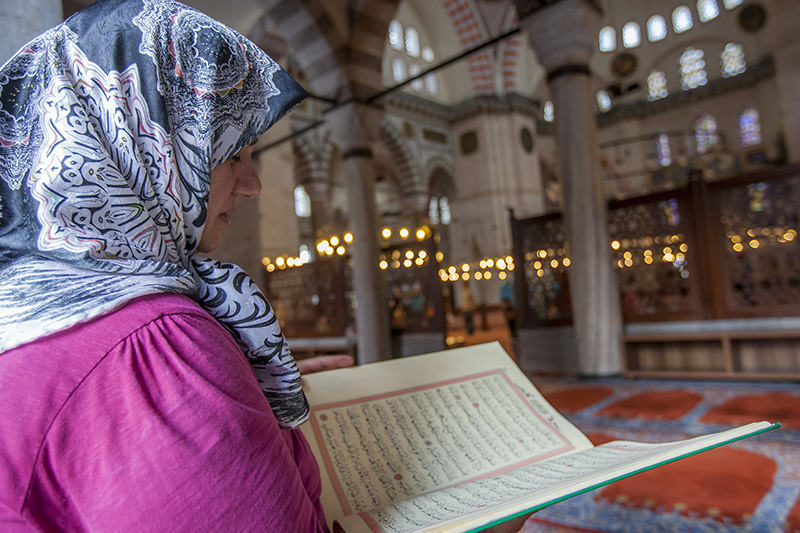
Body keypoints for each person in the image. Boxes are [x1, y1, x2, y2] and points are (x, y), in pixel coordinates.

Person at [0, 1, 350, 531]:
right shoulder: (156, 346)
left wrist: (241, 400)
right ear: (148, 149)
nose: (253, 186)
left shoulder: (30, 314)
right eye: (232, 155)